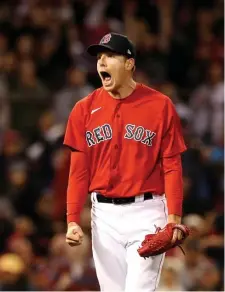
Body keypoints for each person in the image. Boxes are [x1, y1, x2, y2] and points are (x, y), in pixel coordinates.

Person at [63, 32, 186, 292]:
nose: (102, 63)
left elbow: (172, 165)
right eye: (99, 57)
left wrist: (173, 218)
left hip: (147, 213)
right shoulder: (84, 109)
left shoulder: (160, 106)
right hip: (103, 216)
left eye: (110, 56)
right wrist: (73, 219)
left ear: (129, 63)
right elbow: (78, 172)